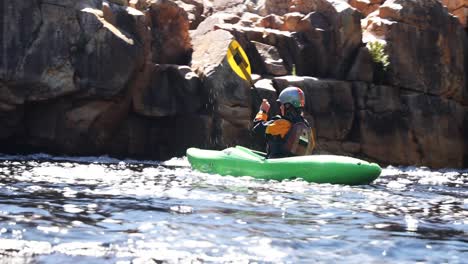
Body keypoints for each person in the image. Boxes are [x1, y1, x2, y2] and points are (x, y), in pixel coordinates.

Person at [252, 87, 316, 158]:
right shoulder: (307, 127)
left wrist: (263, 111)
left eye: (281, 104)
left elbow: (257, 128)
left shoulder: (282, 124)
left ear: (287, 106)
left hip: (276, 164)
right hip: (298, 166)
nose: (280, 107)